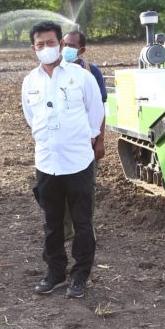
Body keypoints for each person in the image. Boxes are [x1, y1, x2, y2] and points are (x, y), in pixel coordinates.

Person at [22, 21, 104, 299]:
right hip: (46, 162)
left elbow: (96, 113)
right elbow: (30, 117)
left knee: (82, 223)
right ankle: (55, 272)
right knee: (52, 223)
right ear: (33, 48)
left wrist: (88, 139)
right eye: (40, 44)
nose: (46, 48)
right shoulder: (30, 81)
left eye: (51, 42)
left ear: (60, 44)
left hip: (78, 162)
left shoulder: (82, 77)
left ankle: (80, 275)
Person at [61, 30, 107, 241]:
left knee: (86, 188)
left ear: (81, 50)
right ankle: (64, 229)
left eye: (71, 46)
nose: (65, 49)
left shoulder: (91, 72)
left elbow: (99, 109)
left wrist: (100, 140)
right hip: (62, 143)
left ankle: (85, 229)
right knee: (60, 188)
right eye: (64, 44)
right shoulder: (53, 70)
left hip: (86, 143)